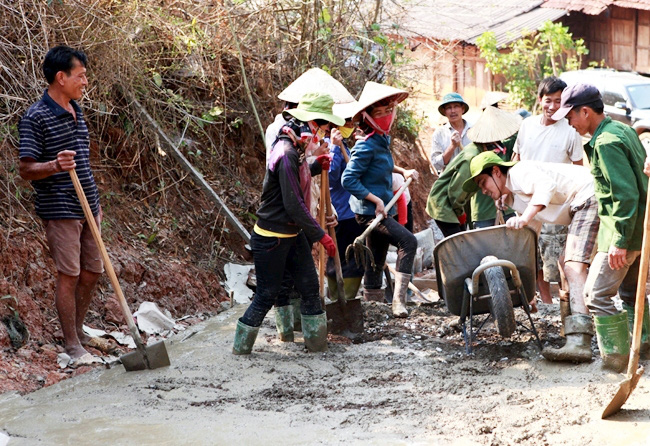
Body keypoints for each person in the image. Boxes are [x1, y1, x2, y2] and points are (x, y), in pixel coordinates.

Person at [232, 92, 343, 355]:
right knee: (267, 294)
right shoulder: (285, 152)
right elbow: (292, 203)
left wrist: (315, 166)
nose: (324, 133)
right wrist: (321, 235)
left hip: (291, 235)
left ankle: (317, 346)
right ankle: (240, 348)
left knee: (308, 286)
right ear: (312, 123)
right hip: (271, 237)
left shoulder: (296, 149)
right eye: (324, 126)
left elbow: (296, 179)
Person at [464, 152, 599, 362]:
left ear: (497, 172)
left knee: (573, 265)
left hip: (587, 195)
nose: (483, 190)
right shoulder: (515, 197)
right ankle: (569, 329)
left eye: (483, 182)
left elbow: (546, 186)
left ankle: (580, 341)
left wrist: (524, 218)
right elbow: (530, 236)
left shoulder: (518, 172)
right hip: (579, 203)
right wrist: (527, 288)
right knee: (565, 263)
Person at [553, 83, 649, 371]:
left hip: (623, 232)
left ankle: (616, 358)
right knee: (631, 292)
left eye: (570, 116)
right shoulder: (621, 129)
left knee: (595, 294)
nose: (569, 123)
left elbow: (625, 194)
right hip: (638, 229)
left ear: (585, 111)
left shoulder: (606, 143)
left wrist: (619, 240)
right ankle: (642, 345)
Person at [18, 46, 104, 362]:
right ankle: (71, 344)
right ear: (61, 77)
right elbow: (26, 169)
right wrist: (54, 165)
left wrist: (96, 206)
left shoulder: (76, 110)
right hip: (60, 208)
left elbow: (84, 162)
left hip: (88, 205)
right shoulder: (35, 117)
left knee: (93, 270)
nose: (84, 82)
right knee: (69, 274)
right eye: (80, 76)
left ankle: (79, 330)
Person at [264, 68, 354, 336]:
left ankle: (302, 327)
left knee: (301, 272)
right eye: (323, 123)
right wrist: (316, 230)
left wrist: (329, 208)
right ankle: (289, 329)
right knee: (289, 277)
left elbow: (311, 176)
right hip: (285, 211)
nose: (325, 129)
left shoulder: (306, 137)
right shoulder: (284, 137)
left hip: (304, 206)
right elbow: (291, 179)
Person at [342, 82, 419, 318]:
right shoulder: (365, 146)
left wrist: (402, 171)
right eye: (379, 113)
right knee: (409, 242)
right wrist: (375, 200)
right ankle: (398, 302)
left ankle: (372, 305)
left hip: (383, 209)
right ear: (367, 117)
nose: (386, 116)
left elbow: (381, 165)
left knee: (376, 259)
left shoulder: (380, 139)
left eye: (388, 111)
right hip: (369, 212)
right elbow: (348, 179)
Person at [513, 76, 585, 310]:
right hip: (527, 202)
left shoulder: (570, 129)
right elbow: (517, 159)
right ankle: (541, 301)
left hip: (557, 205)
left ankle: (568, 305)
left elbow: (578, 168)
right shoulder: (527, 125)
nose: (552, 107)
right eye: (548, 101)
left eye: (558, 101)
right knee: (529, 254)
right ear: (539, 99)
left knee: (559, 257)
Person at [426, 106, 520, 238]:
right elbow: (455, 193)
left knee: (465, 241)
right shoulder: (471, 157)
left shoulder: (488, 150)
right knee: (459, 243)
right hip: (444, 203)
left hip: (458, 201)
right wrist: (461, 215)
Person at [325, 101, 365, 302]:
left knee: (352, 258)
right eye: (347, 121)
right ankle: (339, 300)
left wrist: (341, 147)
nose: (351, 125)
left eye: (352, 121)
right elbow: (330, 177)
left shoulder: (345, 145)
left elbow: (354, 172)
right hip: (341, 211)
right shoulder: (328, 144)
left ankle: (346, 299)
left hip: (350, 210)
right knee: (342, 258)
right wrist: (334, 147)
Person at [430, 92, 472, 174]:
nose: (452, 111)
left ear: (462, 109)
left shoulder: (474, 130)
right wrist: (452, 146)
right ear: (444, 111)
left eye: (456, 106)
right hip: (449, 180)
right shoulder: (439, 134)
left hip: (473, 178)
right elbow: (436, 165)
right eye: (449, 108)